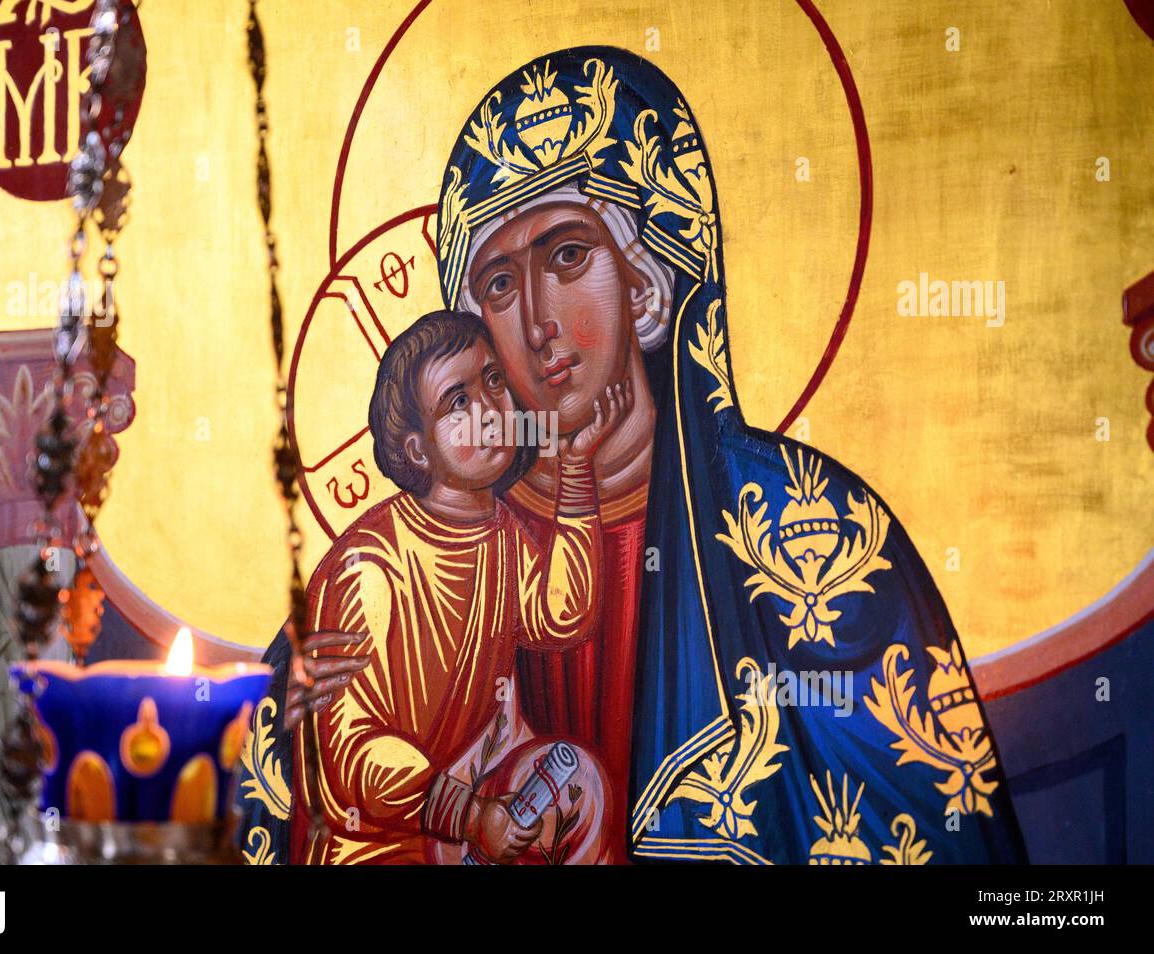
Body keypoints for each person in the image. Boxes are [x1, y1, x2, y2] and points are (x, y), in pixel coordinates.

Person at [434, 47, 1027, 863]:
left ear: (645, 283)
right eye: (499, 284)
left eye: (568, 256)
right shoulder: (423, 551)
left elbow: (935, 833)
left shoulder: (812, 531)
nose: (536, 320)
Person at [288, 310, 628, 864]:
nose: (491, 412)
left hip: (482, 796)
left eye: (492, 381)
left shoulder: (501, 534)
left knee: (577, 784)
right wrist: (468, 817)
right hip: (385, 837)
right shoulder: (369, 569)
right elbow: (352, 753)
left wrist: (574, 469)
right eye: (458, 402)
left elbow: (559, 617)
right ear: (419, 450)